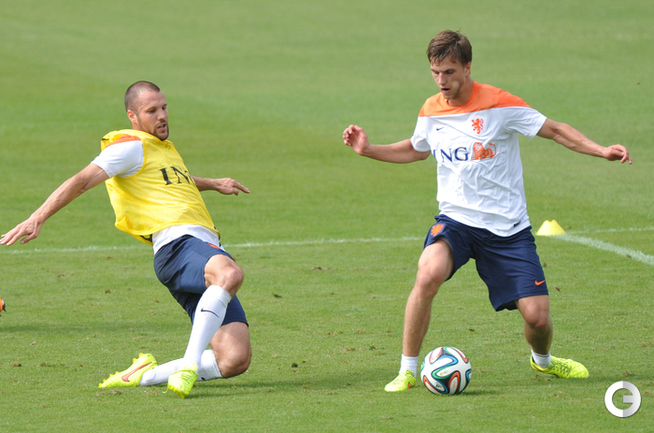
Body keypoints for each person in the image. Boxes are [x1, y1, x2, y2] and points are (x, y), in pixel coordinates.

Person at [342, 30, 632, 392]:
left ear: (467, 67)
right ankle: (407, 371)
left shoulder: (500, 104)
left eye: (449, 72)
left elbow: (556, 130)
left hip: (508, 229)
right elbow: (417, 149)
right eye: (435, 72)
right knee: (428, 274)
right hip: (457, 222)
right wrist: (368, 150)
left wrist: (601, 150)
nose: (441, 81)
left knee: (538, 319)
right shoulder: (431, 110)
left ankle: (543, 361)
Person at [1, 81, 252, 399]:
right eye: (152, 111)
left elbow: (172, 180)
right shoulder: (129, 147)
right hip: (178, 244)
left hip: (200, 248)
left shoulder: (160, 149)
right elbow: (81, 181)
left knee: (234, 359)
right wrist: (37, 217)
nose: (162, 116)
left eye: (164, 107)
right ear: (133, 116)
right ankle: (189, 364)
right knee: (230, 273)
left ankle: (143, 375)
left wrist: (212, 183)